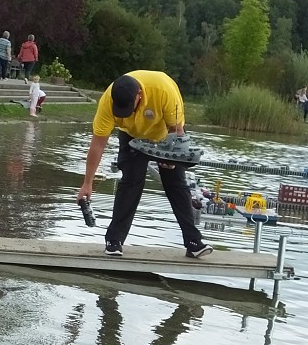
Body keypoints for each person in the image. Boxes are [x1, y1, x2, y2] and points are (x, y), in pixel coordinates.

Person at [78, 71, 212, 259]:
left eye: (128, 107)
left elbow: (177, 130)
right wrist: (87, 183)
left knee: (177, 184)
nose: (126, 112)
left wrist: (173, 160)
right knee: (131, 182)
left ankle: (193, 242)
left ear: (139, 94)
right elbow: (98, 144)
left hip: (167, 134)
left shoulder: (163, 91)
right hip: (132, 136)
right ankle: (114, 241)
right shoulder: (107, 101)